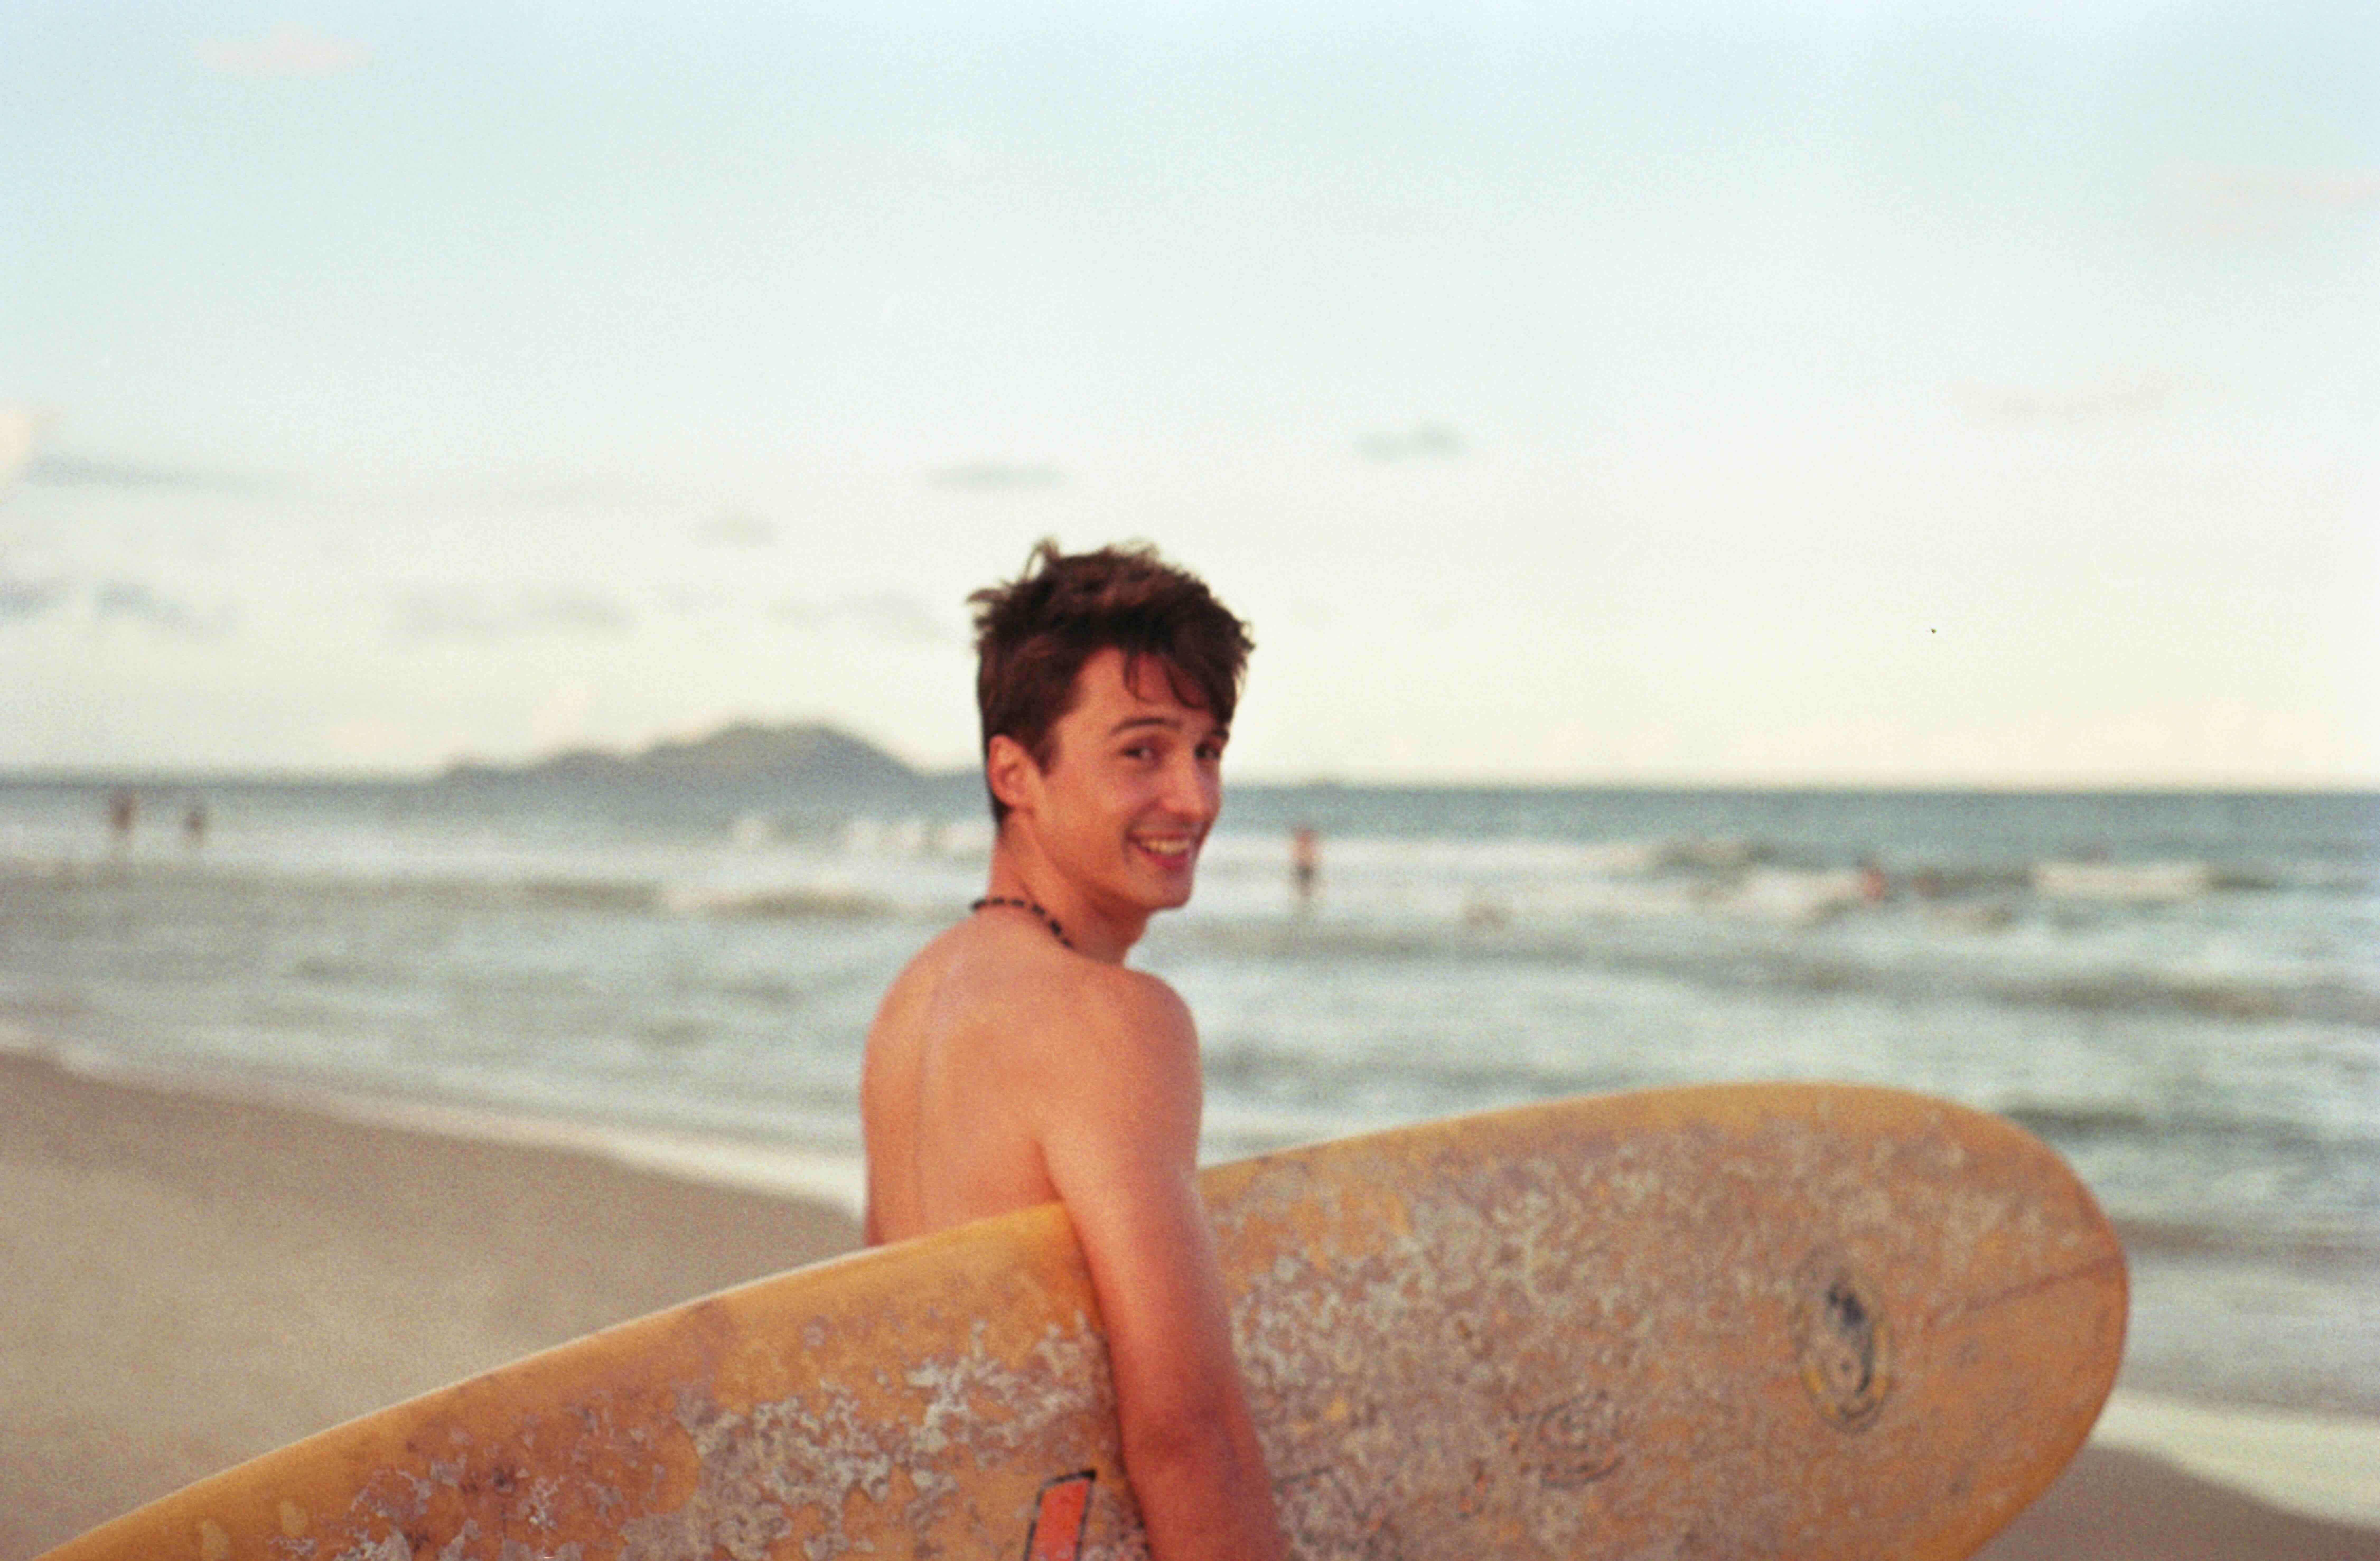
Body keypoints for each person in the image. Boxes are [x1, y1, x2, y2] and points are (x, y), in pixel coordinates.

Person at [861, 540, 1287, 1561]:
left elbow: (886, 1354)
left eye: (1208, 749)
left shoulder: (914, 999)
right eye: (1141, 751)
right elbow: (1187, 1437)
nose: (1192, 799)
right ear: (1016, 772)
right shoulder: (1115, 1020)